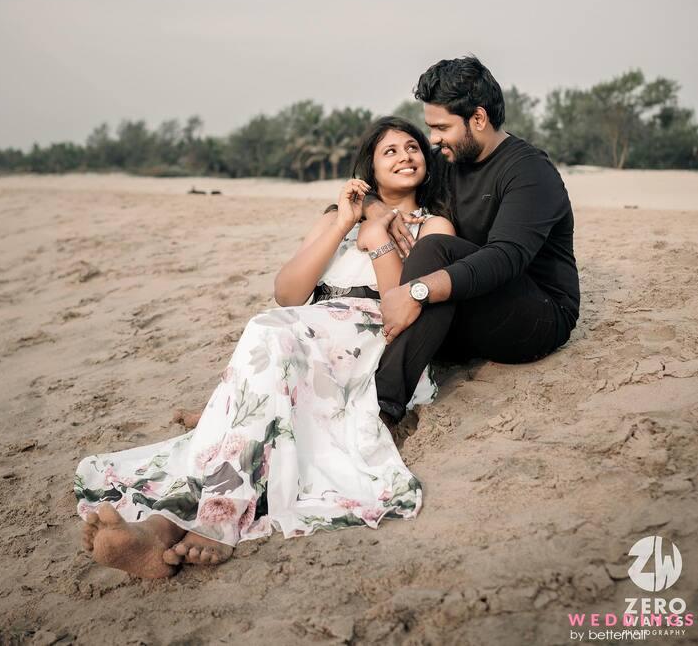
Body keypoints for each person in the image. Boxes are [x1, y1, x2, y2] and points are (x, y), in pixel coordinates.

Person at [75, 117, 455, 579]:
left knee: (269, 337)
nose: (405, 156)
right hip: (306, 325)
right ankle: (159, 528)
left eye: (412, 147)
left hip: (367, 338)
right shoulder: (335, 218)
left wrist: (377, 243)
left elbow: (402, 306)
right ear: (370, 169)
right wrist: (344, 224)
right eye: (389, 151)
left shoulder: (434, 224)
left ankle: (200, 521)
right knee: (268, 332)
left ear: (427, 162)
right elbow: (288, 293)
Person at [363, 57, 580, 423]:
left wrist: (418, 290)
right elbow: (381, 183)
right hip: (471, 297)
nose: (432, 139)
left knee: (435, 249)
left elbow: (505, 258)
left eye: (441, 127)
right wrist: (374, 209)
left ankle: (381, 408)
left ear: (478, 119)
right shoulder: (449, 159)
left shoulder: (529, 172)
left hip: (536, 314)